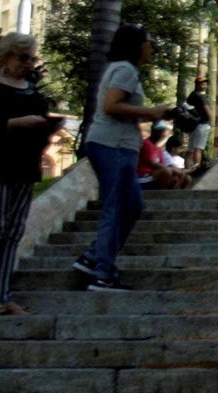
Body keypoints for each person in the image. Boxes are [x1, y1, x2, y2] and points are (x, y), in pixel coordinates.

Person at [75, 24, 179, 291]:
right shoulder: (125, 70)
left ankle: (93, 257)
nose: (151, 48)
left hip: (117, 146)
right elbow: (111, 106)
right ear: (136, 46)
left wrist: (157, 113)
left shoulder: (124, 70)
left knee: (132, 206)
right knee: (117, 207)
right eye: (148, 43)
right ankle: (103, 274)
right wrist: (151, 112)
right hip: (113, 145)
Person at [0, 32, 62, 315]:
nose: (29, 63)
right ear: (7, 57)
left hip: (26, 166)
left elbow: (41, 127)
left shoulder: (33, 93)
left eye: (32, 58)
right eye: (24, 58)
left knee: (12, 232)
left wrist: (46, 129)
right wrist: (17, 123)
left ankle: (3, 293)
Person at [138, 121, 190, 190]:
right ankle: (161, 195)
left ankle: (175, 198)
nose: (165, 134)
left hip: (153, 175)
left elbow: (163, 164)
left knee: (185, 178)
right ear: (157, 132)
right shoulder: (146, 144)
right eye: (164, 132)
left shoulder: (158, 148)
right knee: (166, 171)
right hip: (143, 176)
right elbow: (154, 163)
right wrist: (173, 170)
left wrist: (178, 172)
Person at [184, 74, 213, 152]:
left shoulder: (192, 95)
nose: (204, 84)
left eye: (205, 82)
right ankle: (197, 164)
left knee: (190, 150)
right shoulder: (201, 96)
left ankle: (188, 165)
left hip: (193, 125)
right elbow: (208, 112)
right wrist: (211, 121)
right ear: (197, 84)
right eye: (202, 83)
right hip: (202, 126)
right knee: (198, 149)